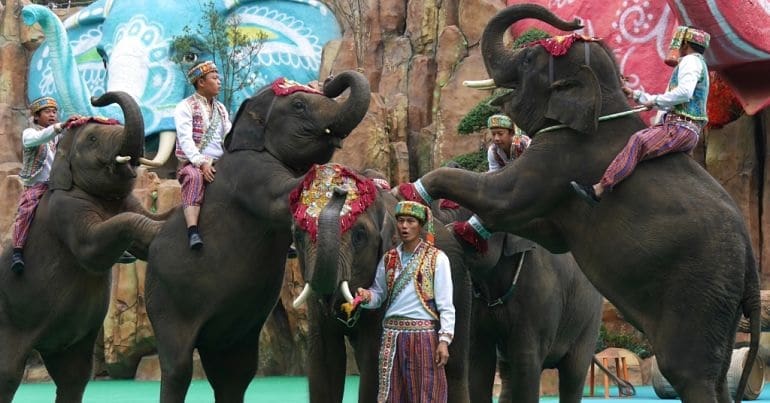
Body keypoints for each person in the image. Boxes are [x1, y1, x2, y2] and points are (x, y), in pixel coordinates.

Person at [571, 26, 711, 205]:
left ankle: (599, 189)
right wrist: (636, 95)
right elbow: (673, 98)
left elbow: (684, 93)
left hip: (679, 127)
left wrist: (653, 101)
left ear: (684, 43)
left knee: (639, 141)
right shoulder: (699, 62)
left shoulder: (690, 61)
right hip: (687, 129)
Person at [356, 200, 455, 402]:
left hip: (423, 337)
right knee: (392, 396)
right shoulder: (389, 259)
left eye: (410, 221)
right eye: (401, 221)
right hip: (392, 337)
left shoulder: (437, 258)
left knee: (426, 395)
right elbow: (378, 294)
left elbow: (446, 305)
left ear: (420, 225)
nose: (404, 226)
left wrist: (444, 340)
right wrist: (366, 297)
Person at [10, 97, 75, 273]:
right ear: (37, 117)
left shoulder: (56, 136)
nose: (53, 115)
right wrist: (60, 126)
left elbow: (66, 134)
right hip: (36, 186)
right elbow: (41, 137)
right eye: (48, 112)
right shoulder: (30, 134)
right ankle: (17, 251)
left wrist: (76, 124)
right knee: (25, 212)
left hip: (56, 185)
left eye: (54, 112)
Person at [174, 60, 231, 249]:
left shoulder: (221, 109)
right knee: (194, 176)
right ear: (201, 82)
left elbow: (229, 135)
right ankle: (192, 231)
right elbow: (185, 140)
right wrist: (201, 163)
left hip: (220, 161)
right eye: (214, 78)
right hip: (194, 163)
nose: (219, 82)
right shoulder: (185, 107)